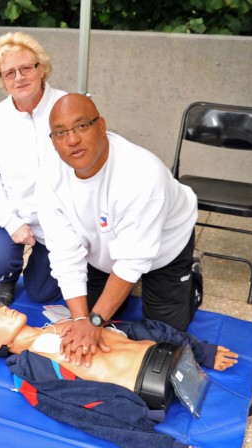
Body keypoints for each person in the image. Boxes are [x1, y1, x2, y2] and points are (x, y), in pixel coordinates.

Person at [37, 93, 202, 367]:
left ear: (101, 126)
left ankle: (190, 280)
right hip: (103, 252)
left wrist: (96, 322)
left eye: (81, 126)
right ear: (53, 141)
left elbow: (131, 260)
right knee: (88, 315)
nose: (72, 140)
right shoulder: (48, 177)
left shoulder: (141, 174)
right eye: (60, 132)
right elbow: (65, 254)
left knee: (165, 333)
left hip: (165, 247)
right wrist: (83, 320)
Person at [0, 304, 237, 448]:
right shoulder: (30, 368)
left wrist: (200, 352)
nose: (3, 309)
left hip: (174, 356)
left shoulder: (63, 322)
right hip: (153, 388)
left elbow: (136, 330)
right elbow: (80, 412)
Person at [0, 32, 67, 307]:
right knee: (1, 256)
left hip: (62, 217)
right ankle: (7, 277)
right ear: (2, 80)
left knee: (42, 293)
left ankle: (45, 263)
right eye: (9, 73)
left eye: (26, 68)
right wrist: (12, 222)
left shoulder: (67, 106)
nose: (19, 77)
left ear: (42, 68)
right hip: (15, 213)